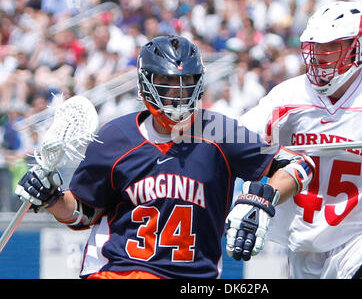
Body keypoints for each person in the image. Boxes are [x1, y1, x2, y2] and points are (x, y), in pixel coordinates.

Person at [14, 35, 315, 279]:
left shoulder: (219, 130)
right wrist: (51, 198)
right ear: (146, 82)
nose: (178, 94)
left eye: (186, 83)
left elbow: (299, 164)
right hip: (119, 271)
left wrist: (263, 200)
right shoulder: (115, 138)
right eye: (168, 83)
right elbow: (84, 214)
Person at [230, 1, 362, 279]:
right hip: (305, 245)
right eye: (315, 46)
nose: (320, 55)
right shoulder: (288, 96)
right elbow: (236, 140)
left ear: (361, 46)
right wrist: (253, 197)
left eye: (332, 46)